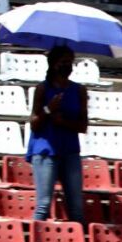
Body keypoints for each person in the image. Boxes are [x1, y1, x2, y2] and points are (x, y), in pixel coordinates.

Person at [26, 45, 89, 223]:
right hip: (46, 150)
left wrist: (63, 122)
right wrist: (48, 109)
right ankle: (35, 241)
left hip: (69, 150)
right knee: (44, 204)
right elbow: (34, 123)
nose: (68, 66)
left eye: (70, 62)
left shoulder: (79, 91)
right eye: (63, 62)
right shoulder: (43, 89)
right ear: (54, 64)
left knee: (76, 207)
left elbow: (83, 126)